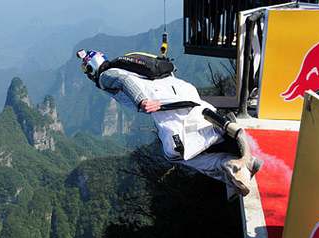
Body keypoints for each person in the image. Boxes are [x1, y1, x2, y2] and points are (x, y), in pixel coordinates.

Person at [76, 49, 263, 198]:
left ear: (93, 67)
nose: (88, 74)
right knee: (205, 122)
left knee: (175, 152)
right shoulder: (128, 62)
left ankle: (228, 165)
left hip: (163, 102)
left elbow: (124, 81)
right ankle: (242, 155)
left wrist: (141, 100)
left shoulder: (105, 75)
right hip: (181, 89)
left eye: (87, 70)